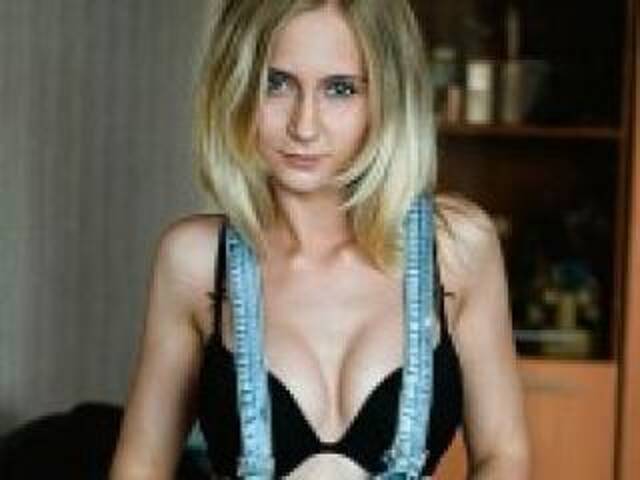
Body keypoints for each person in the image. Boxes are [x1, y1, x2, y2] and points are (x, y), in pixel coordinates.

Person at [110, 0, 530, 478]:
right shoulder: (194, 261)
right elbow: (141, 464)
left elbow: (503, 453)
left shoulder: (457, 248)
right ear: (236, 86)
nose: (304, 126)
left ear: (389, 97)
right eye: (276, 83)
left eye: (340, 89)